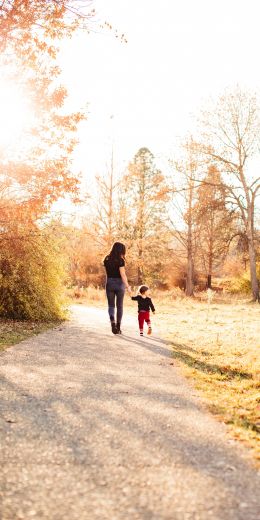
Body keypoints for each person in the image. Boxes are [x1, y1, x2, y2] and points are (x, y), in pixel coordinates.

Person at [103, 242, 131, 334]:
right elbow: (123, 275)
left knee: (111, 306)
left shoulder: (106, 259)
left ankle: (112, 323)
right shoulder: (120, 260)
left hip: (110, 283)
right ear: (121, 250)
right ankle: (118, 327)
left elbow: (107, 274)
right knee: (119, 306)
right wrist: (128, 286)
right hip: (119, 284)